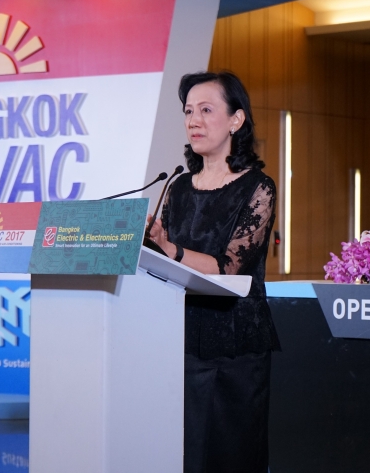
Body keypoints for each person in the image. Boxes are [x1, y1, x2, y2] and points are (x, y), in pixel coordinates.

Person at [148, 71, 280, 473]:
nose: (194, 121)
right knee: (181, 454)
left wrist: (169, 248)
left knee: (229, 456)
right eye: (189, 111)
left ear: (236, 120)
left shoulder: (258, 188)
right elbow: (161, 263)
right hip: (179, 339)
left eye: (206, 110)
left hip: (233, 344)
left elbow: (228, 267)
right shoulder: (177, 186)